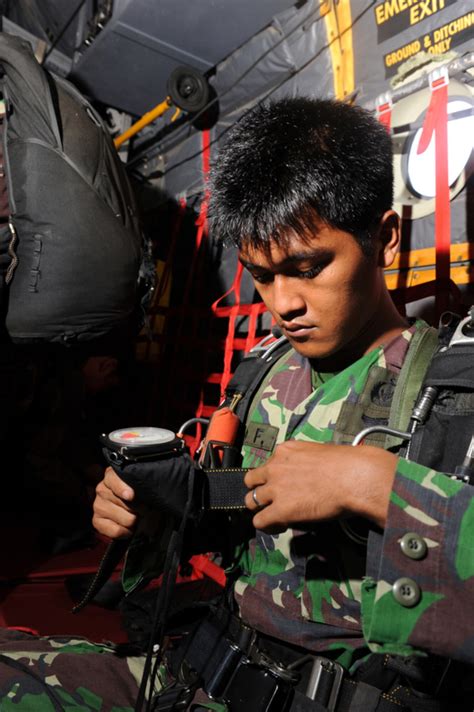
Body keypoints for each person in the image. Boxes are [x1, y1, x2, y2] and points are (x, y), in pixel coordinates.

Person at [1, 96, 474, 711]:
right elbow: (236, 533)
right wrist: (155, 513)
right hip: (203, 671)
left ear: (383, 240)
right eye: (260, 273)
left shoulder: (450, 398)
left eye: (308, 267)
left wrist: (377, 485)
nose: (284, 304)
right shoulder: (265, 373)